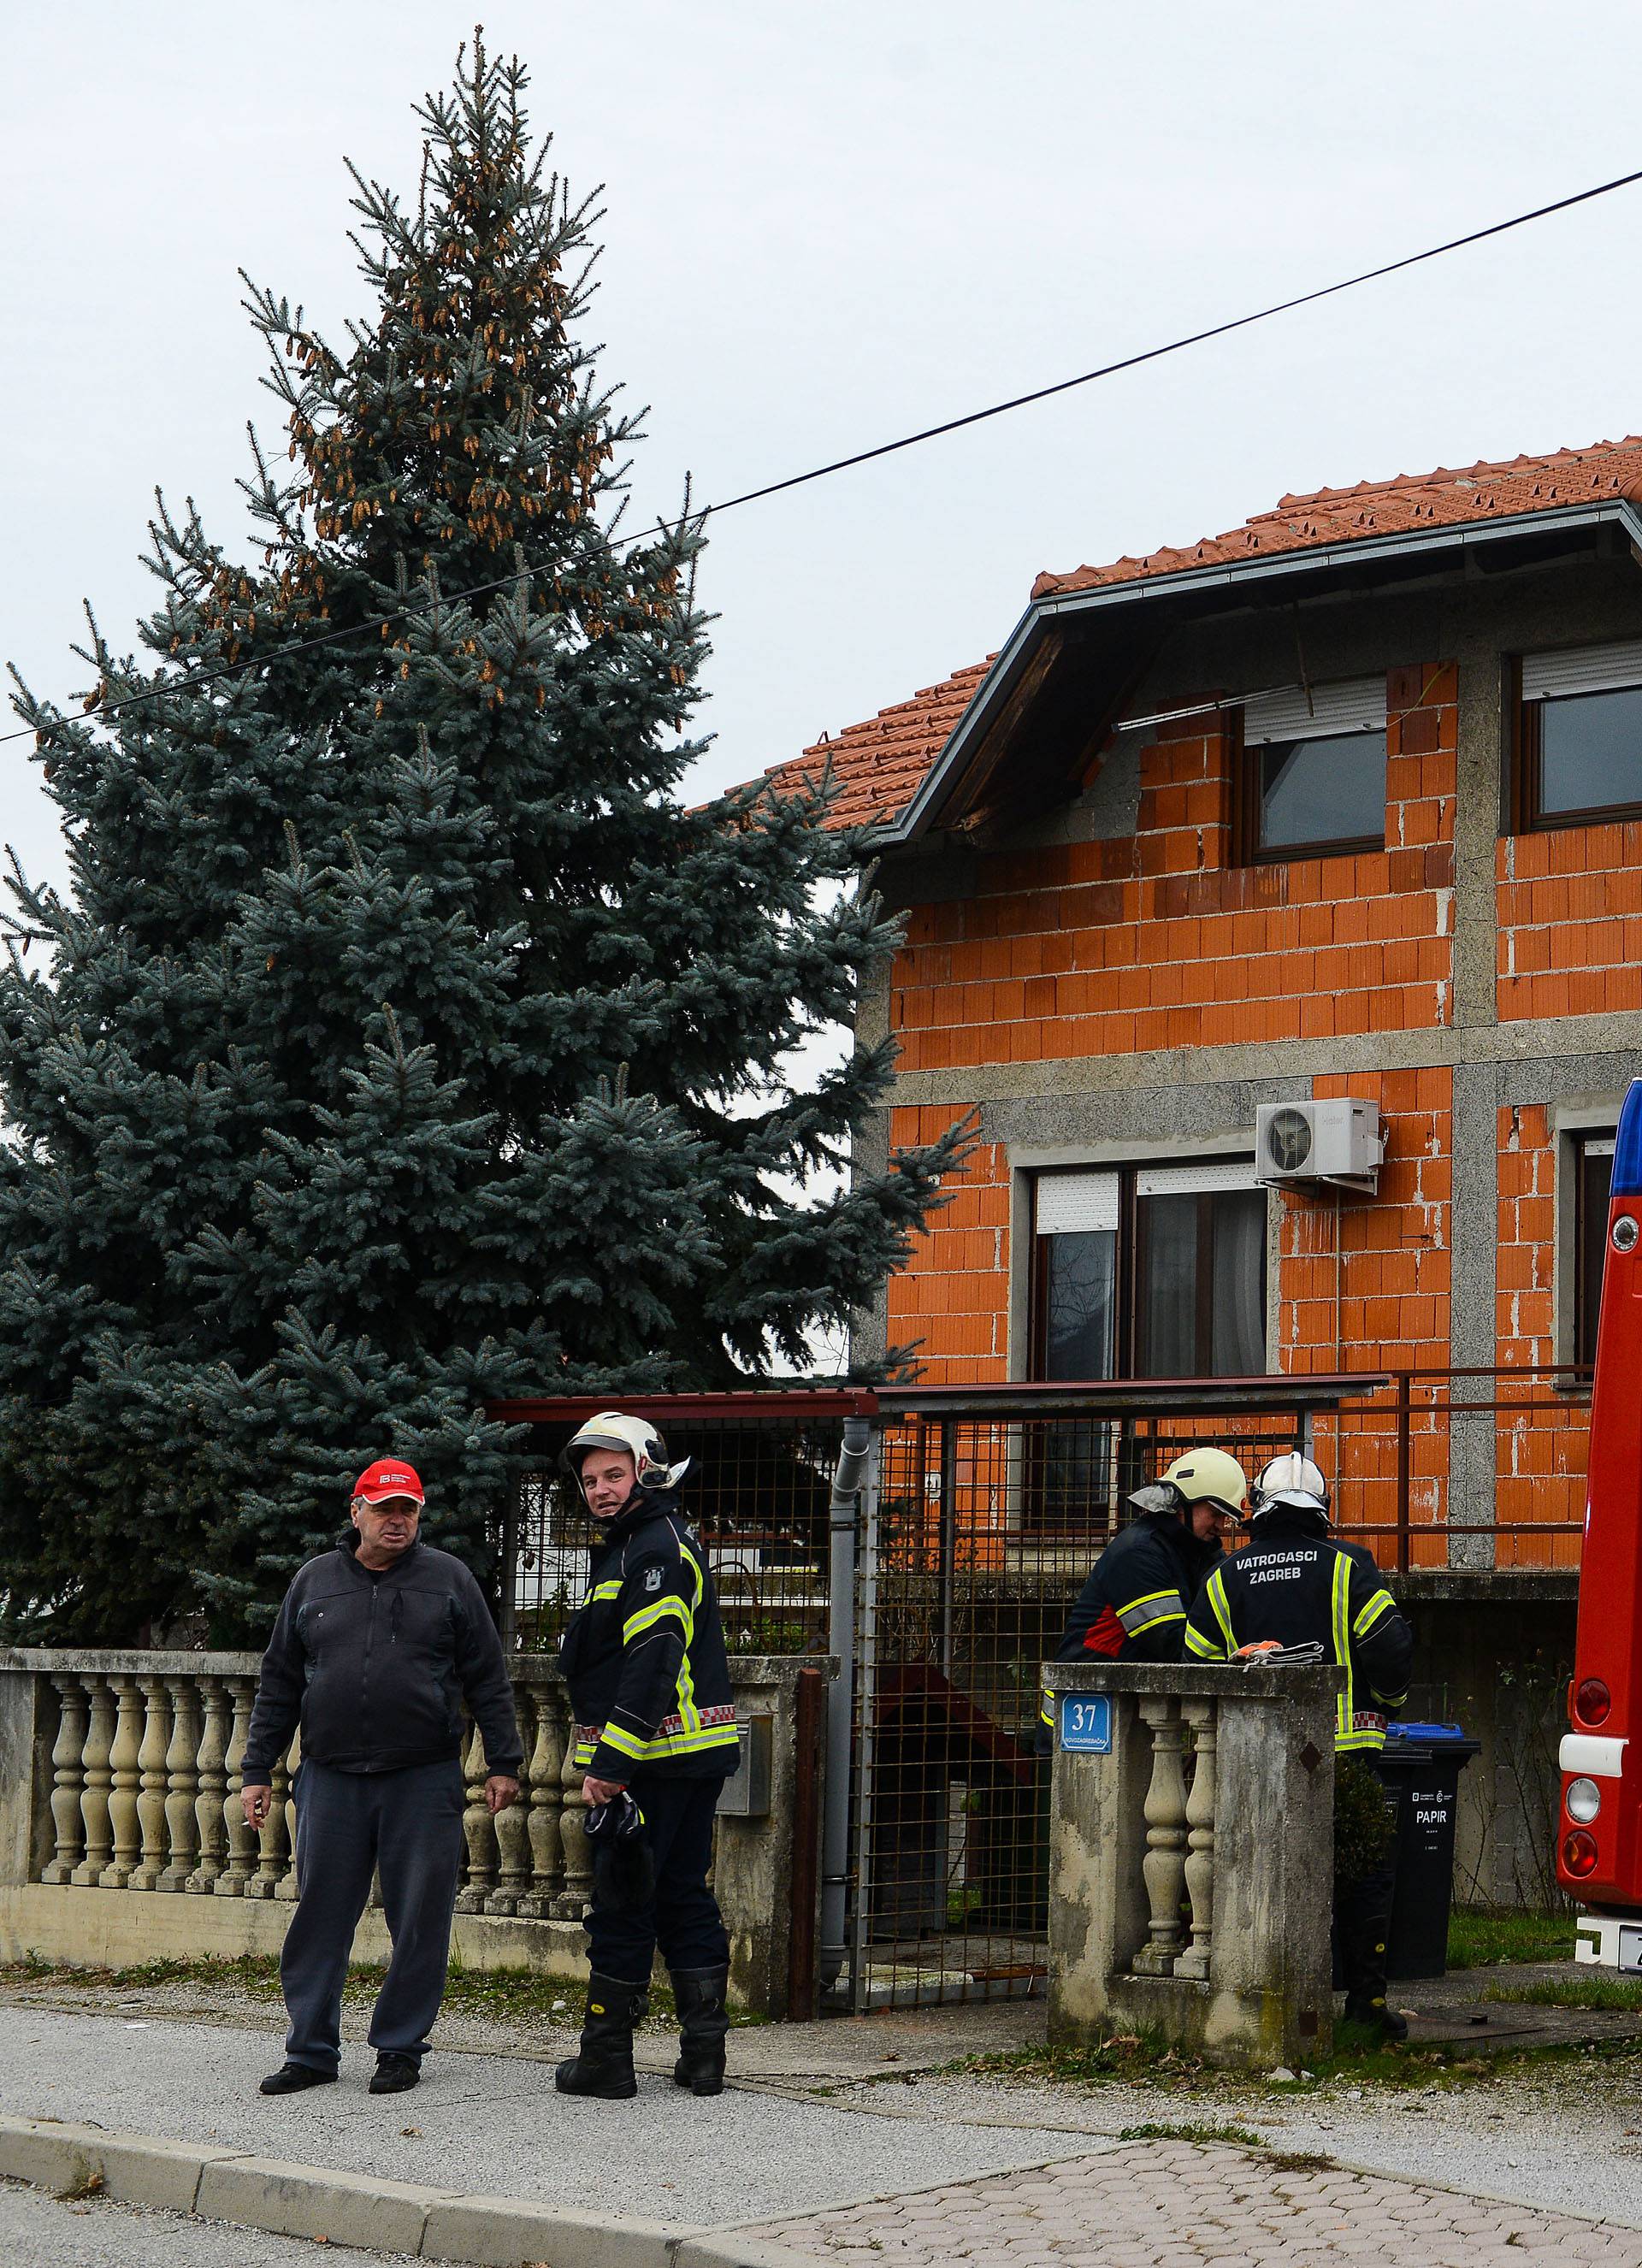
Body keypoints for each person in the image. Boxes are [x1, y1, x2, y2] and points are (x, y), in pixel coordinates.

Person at [240, 1457, 523, 2097]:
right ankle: (310, 2051)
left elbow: (487, 1677)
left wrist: (504, 1761)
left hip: (423, 1778)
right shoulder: (315, 1581)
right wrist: (258, 1768)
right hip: (330, 1778)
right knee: (319, 1917)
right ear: (356, 1511)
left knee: (420, 1919)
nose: (397, 1521)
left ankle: (400, 2047)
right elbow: (279, 1680)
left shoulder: (448, 1579)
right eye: (385, 1509)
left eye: (409, 1511)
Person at [1184, 1449, 1415, 2039]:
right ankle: (1364, 2007)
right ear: (1321, 1511)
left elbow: (1196, 1668)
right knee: (1361, 1876)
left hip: (1251, 1761)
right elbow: (1391, 1649)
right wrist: (1387, 1707)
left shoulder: (1222, 1578)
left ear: (1258, 1510)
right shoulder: (1349, 1568)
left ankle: (1257, 1997)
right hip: (1346, 1754)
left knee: (1259, 1872)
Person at [553, 1411, 741, 2102]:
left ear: (648, 1469)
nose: (600, 1489)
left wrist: (610, 1763)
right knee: (683, 1897)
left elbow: (650, 1663)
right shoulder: (642, 1542)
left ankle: (606, 2060)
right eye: (590, 1478)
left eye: (614, 1473)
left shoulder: (651, 1549)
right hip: (683, 1759)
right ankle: (703, 2059)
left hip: (650, 1764)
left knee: (623, 1904)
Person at [1037, 1447, 1248, 1747]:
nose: (1221, 1526)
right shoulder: (1138, 1554)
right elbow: (1173, 1644)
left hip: (1128, 1712)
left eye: (1226, 1517)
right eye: (1215, 1514)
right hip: (1084, 1718)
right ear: (1182, 1505)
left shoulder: (1197, 1551)